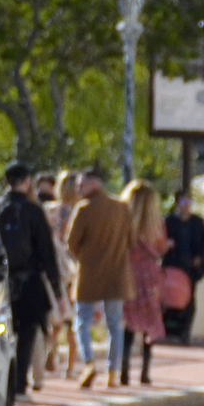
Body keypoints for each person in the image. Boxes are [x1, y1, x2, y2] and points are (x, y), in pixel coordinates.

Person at [0, 161, 60, 405]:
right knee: (28, 333)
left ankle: (2, 382)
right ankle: (20, 382)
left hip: (0, 281)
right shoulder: (33, 211)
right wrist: (55, 286)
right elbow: (46, 251)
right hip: (29, 282)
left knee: (2, 335)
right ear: (26, 181)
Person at [65, 166, 136, 390]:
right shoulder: (121, 207)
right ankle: (112, 373)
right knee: (115, 325)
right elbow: (131, 240)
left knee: (81, 321)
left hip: (89, 274)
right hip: (117, 274)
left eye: (81, 185)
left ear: (94, 184)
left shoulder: (84, 209)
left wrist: (87, 256)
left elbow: (71, 243)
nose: (78, 190)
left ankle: (88, 363)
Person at [120, 179, 167, 388]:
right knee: (150, 322)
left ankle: (123, 371)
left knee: (127, 323)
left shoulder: (122, 220)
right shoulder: (156, 222)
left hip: (127, 272)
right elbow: (161, 246)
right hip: (149, 275)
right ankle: (145, 372)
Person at [161, 191, 204, 344]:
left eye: (189, 202)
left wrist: (200, 257)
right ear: (177, 204)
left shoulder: (198, 222)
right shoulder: (169, 221)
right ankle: (168, 331)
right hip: (171, 267)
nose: (186, 206)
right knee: (168, 299)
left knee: (188, 301)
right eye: (183, 202)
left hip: (189, 270)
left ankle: (184, 332)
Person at [46, 171, 80, 382]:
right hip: (74, 268)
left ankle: (52, 349)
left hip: (56, 269)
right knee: (74, 320)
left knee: (56, 316)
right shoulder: (79, 212)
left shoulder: (50, 211)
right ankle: (70, 366)